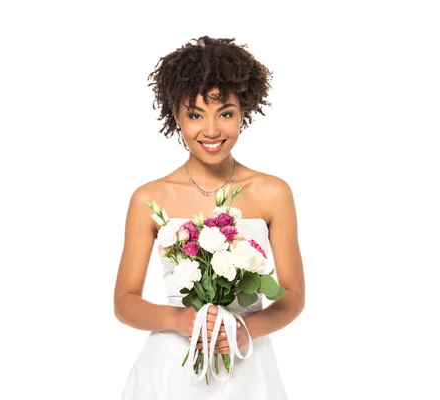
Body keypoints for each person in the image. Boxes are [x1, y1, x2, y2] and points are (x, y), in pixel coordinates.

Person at [113, 35, 305, 399]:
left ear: (243, 112)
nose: (212, 131)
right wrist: (177, 319)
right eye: (195, 115)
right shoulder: (149, 199)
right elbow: (124, 301)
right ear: (176, 116)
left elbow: (293, 297)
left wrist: (244, 331)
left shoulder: (273, 194)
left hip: (248, 365)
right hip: (173, 368)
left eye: (226, 113)